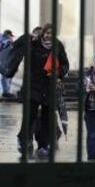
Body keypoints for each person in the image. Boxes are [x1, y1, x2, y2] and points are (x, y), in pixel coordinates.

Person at [17, 23, 69, 158]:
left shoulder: (58, 46)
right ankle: (24, 140)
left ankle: (43, 146)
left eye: (52, 33)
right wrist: (27, 37)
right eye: (47, 33)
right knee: (30, 116)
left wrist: (58, 73)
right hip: (33, 86)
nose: (49, 35)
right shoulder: (33, 43)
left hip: (49, 88)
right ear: (42, 33)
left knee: (47, 119)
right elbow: (17, 46)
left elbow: (65, 64)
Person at [0, 29, 15, 97]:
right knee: (6, 75)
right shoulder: (7, 40)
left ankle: (6, 91)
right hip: (4, 61)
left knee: (7, 75)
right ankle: (6, 92)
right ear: (8, 35)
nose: (11, 37)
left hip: (5, 61)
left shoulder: (4, 39)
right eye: (11, 36)